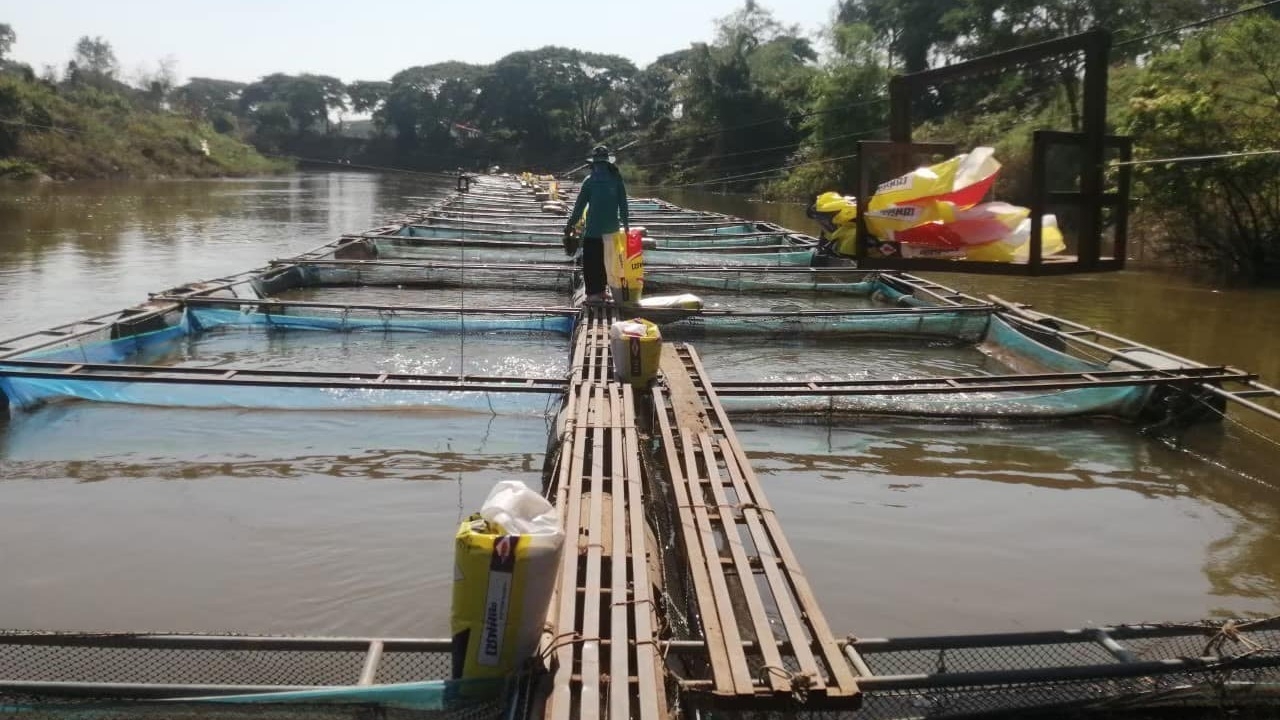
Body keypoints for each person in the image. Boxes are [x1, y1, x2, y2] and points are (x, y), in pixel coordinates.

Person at [564, 145, 629, 302]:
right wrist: (626, 226)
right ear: (608, 163)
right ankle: (601, 291)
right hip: (611, 231)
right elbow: (624, 205)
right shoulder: (616, 179)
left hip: (593, 231)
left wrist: (570, 225)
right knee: (606, 263)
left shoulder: (590, 181)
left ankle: (594, 293)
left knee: (592, 263)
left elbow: (579, 208)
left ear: (594, 164)